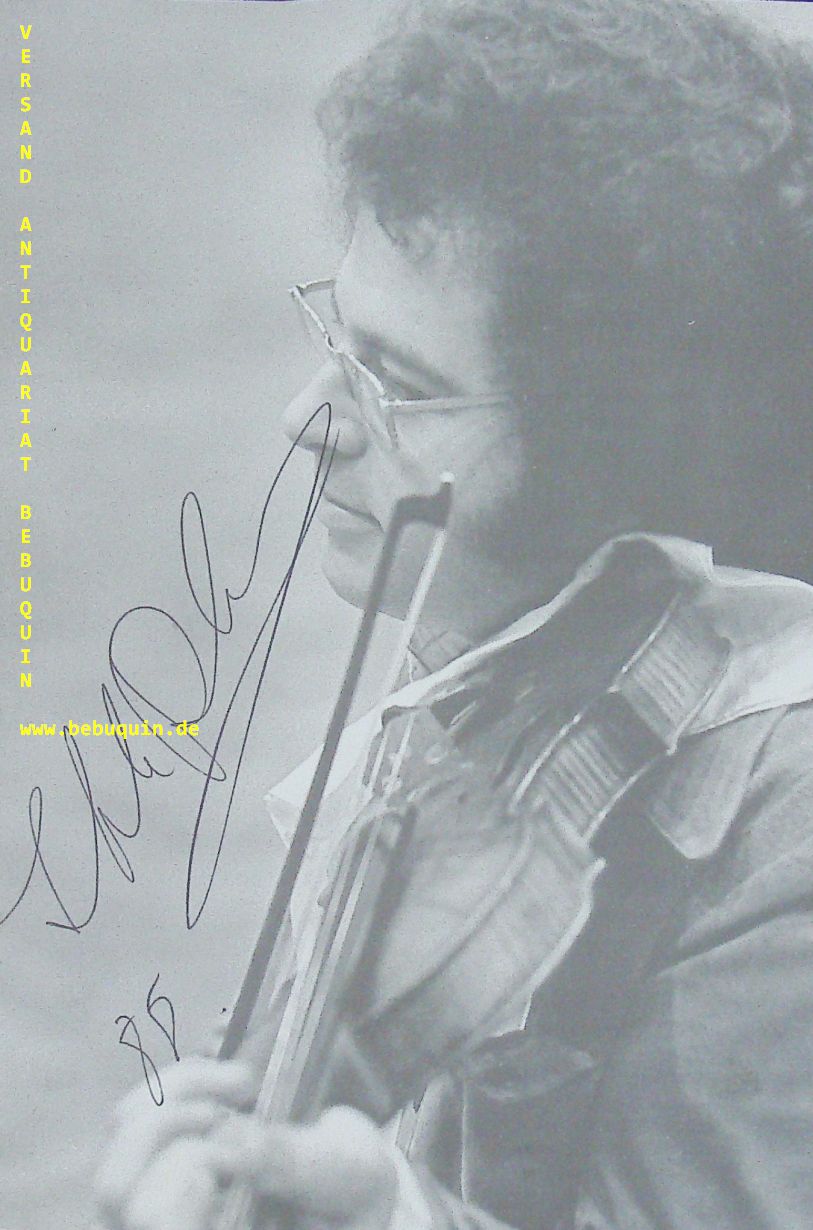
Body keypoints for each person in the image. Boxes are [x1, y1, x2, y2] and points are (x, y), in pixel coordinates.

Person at [95, 1, 813, 1227]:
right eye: (339, 336)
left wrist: (384, 1214)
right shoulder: (497, 661)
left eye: (400, 386)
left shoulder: (782, 830)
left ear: (600, 445)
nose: (308, 422)